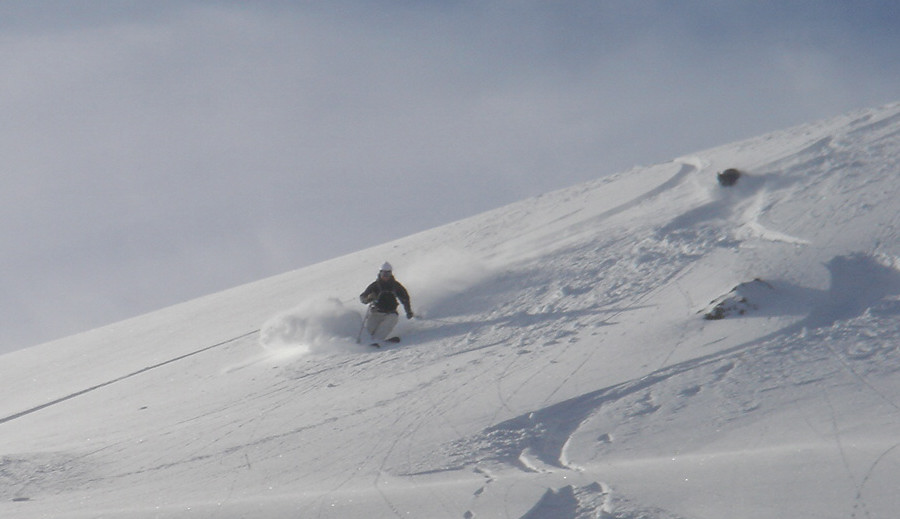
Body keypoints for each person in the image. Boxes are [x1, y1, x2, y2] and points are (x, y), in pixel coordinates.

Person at [359, 262, 413, 343]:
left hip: (391, 314)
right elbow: (363, 297)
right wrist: (368, 299)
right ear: (380, 273)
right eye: (383, 273)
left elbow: (405, 298)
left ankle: (377, 341)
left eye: (388, 274)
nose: (385, 276)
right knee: (368, 332)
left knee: (386, 325)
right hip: (376, 313)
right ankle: (365, 342)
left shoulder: (395, 286)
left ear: (391, 274)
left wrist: (408, 311)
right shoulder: (375, 286)